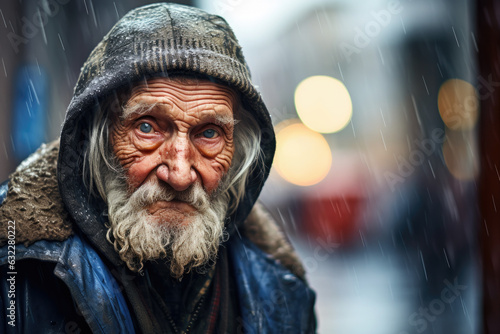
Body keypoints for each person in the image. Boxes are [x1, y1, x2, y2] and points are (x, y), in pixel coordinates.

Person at [0, 3, 316, 333]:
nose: (179, 174)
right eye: (147, 127)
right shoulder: (15, 266)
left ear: (238, 153)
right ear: (98, 137)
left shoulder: (280, 290)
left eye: (209, 133)